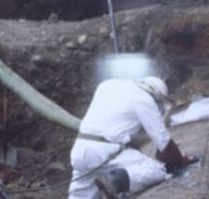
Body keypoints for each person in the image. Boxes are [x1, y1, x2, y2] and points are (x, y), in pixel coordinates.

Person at [68, 77, 196, 198]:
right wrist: (180, 160)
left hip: (79, 151)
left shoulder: (107, 85)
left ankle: (106, 179)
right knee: (157, 170)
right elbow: (162, 138)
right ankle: (115, 180)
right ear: (156, 96)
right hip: (104, 152)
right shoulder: (143, 98)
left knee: (80, 192)